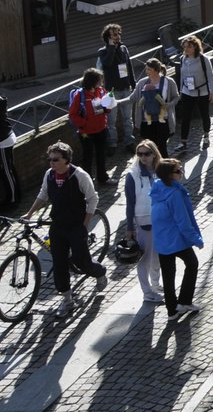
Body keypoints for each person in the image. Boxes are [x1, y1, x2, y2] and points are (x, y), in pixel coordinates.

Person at [28, 141, 107, 318]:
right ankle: (66, 299)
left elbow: (93, 199)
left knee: (81, 261)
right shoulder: (49, 175)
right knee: (59, 263)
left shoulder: (79, 176)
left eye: (55, 159)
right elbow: (43, 195)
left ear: (66, 160)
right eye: (50, 159)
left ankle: (100, 272)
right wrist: (29, 213)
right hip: (58, 225)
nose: (52, 163)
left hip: (76, 225)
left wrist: (85, 224)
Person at [150, 157, 204, 319]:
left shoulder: (157, 188)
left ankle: (172, 310)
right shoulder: (174, 194)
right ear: (169, 175)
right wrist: (196, 239)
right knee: (192, 264)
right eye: (178, 171)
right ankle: (185, 301)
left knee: (168, 275)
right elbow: (183, 221)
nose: (181, 173)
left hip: (162, 240)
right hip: (176, 239)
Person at [121, 140, 162, 302]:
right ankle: (147, 292)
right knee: (145, 257)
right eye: (140, 154)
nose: (143, 157)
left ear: (154, 154)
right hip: (144, 218)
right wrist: (130, 227)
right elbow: (130, 203)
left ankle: (155, 283)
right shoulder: (133, 175)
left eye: (146, 154)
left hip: (160, 218)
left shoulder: (160, 170)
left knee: (157, 253)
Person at [66, 67, 114, 185]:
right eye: (99, 80)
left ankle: (103, 177)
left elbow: (106, 107)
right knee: (87, 156)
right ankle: (86, 181)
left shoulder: (101, 91)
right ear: (92, 81)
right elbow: (72, 114)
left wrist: (108, 107)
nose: (101, 82)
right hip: (86, 132)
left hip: (101, 128)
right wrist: (84, 124)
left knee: (101, 155)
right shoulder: (80, 95)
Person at [97, 23, 139, 149]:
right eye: (114, 34)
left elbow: (128, 67)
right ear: (108, 37)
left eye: (118, 33)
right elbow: (108, 63)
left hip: (126, 88)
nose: (118, 36)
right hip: (111, 91)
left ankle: (129, 141)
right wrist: (111, 47)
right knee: (111, 121)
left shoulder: (123, 49)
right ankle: (112, 143)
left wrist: (134, 84)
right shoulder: (103, 51)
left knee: (128, 118)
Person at [172, 35, 213, 155]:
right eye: (184, 47)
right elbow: (182, 77)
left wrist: (212, 91)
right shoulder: (182, 59)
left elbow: (210, 76)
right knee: (186, 117)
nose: (186, 49)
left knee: (204, 114)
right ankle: (183, 142)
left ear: (195, 47)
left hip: (202, 91)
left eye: (189, 47)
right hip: (187, 92)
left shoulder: (203, 59)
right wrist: (181, 91)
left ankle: (206, 135)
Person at [134, 59, 178, 156]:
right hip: (147, 122)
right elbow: (133, 97)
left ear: (156, 70)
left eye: (149, 70)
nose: (146, 72)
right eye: (146, 69)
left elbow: (176, 97)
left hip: (163, 120)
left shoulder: (169, 82)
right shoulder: (142, 83)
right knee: (150, 149)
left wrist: (169, 104)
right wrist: (116, 102)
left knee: (162, 147)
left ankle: (165, 168)